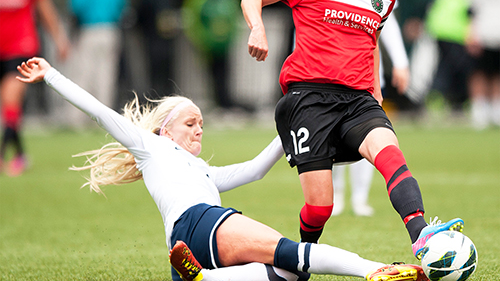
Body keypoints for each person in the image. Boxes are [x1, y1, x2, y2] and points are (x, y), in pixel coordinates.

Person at [17, 56, 428, 281]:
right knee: (294, 254)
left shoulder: (205, 173)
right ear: (165, 129)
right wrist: (51, 75)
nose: (199, 129)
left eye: (202, 123)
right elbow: (101, 113)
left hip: (191, 249)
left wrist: (308, 123)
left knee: (289, 274)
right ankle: (375, 270)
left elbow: (255, 169)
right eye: (190, 122)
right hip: (199, 224)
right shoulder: (151, 147)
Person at [241, 0, 463, 259]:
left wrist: (375, 88)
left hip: (358, 99)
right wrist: (257, 28)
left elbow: (370, 40)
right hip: (309, 99)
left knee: (391, 156)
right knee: (320, 208)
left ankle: (421, 235)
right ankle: (303, 257)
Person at [332, 0, 410, 217]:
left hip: (368, 77)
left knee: (370, 135)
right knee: (331, 137)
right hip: (331, 76)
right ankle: (334, 197)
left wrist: (400, 61)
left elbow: (387, 25)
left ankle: (360, 198)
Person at [0, 0, 69, 176]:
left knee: (10, 97)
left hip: (21, 47)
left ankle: (5, 155)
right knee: (9, 107)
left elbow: (46, 11)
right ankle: (20, 154)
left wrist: (60, 39)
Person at [66, 0, 129, 126]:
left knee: (84, 73)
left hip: (89, 30)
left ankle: (78, 119)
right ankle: (104, 120)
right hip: (111, 31)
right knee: (107, 75)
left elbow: (75, 7)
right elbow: (123, 8)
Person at [182, 0, 250, 112]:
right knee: (209, 75)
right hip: (207, 46)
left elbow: (234, 18)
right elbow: (193, 21)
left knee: (225, 74)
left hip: (225, 45)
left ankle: (225, 103)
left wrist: (231, 37)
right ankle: (215, 103)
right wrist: (202, 40)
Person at [465, 0, 500, 129]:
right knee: (479, 73)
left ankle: (496, 109)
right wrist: (472, 34)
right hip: (482, 36)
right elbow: (470, 11)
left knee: (496, 74)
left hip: (498, 37)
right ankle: (479, 109)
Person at [137, 0, 182, 98]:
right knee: (153, 76)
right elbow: (140, 19)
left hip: (168, 44)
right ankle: (154, 102)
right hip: (151, 42)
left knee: (169, 76)